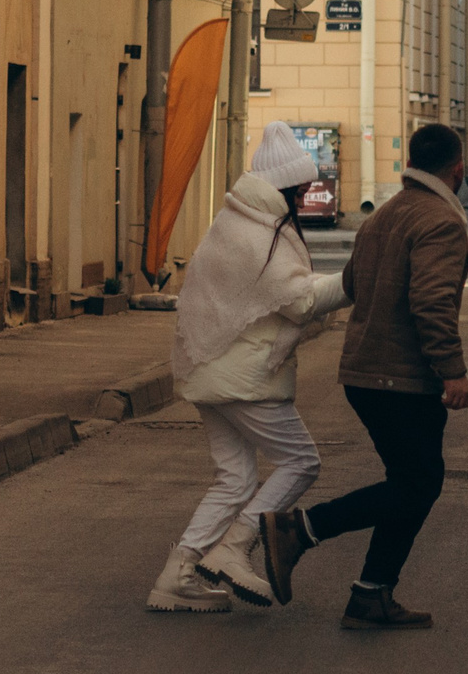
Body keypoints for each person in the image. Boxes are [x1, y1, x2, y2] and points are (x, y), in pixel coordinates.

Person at [261, 122, 468, 630]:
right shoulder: (441, 221)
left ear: (411, 164)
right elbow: (432, 302)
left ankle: (371, 594)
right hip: (401, 377)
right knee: (418, 483)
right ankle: (301, 529)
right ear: (458, 170)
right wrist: (453, 371)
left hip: (365, 373)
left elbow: (353, 283)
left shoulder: (383, 215)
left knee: (412, 482)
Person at [145, 122, 347, 614]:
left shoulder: (235, 219)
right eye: (300, 189)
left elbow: (283, 291)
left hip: (209, 369)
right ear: (285, 186)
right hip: (243, 377)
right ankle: (235, 548)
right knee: (301, 461)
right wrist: (355, 280)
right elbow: (299, 302)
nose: (305, 197)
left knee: (234, 478)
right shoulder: (259, 233)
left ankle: (176, 575)